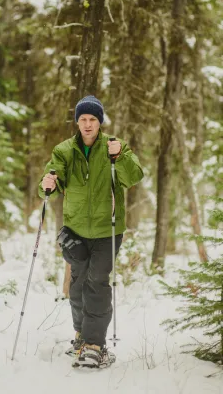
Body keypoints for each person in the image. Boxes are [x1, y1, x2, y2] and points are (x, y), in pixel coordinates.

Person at [39, 95, 143, 368]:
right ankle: (80, 336)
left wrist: (119, 157)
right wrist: (47, 182)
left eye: (92, 119)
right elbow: (52, 179)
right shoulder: (64, 150)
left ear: (100, 122)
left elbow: (134, 176)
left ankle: (95, 345)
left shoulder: (113, 147)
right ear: (77, 122)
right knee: (77, 285)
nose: (87, 124)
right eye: (83, 119)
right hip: (75, 230)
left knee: (96, 282)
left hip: (107, 230)